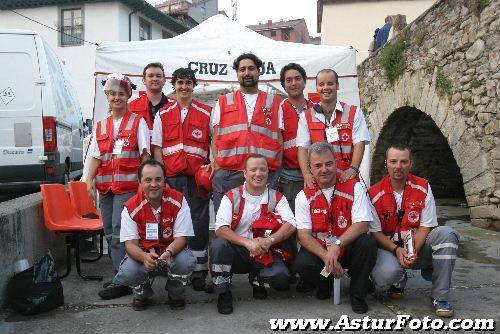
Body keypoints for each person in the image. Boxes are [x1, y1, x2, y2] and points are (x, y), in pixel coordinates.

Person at [369, 145, 460, 318]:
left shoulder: (424, 187)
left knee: (447, 234)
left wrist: (411, 252)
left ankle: (440, 297)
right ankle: (398, 279)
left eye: (403, 162)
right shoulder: (373, 193)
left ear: (411, 163)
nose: (398, 166)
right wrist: (397, 250)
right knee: (385, 275)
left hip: (417, 245)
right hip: (390, 249)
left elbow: (427, 224)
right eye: (393, 161)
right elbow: (375, 232)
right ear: (386, 163)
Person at [86, 74, 151, 299]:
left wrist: (144, 186)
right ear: (107, 96)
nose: (116, 98)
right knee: (110, 232)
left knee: (121, 232)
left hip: (128, 189)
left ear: (128, 96)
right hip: (106, 189)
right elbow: (95, 156)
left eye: (121, 94)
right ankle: (119, 274)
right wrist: (87, 181)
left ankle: (125, 279)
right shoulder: (101, 125)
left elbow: (145, 156)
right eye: (113, 94)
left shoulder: (137, 122)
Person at [293, 142, 377, 314]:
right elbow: (304, 236)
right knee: (302, 264)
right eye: (318, 166)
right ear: (310, 168)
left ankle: (358, 294)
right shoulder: (303, 195)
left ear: (336, 162)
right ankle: (325, 282)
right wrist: (326, 256)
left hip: (347, 247)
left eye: (328, 164)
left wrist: (337, 245)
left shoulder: (354, 186)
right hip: (323, 251)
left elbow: (362, 224)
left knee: (367, 243)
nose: (324, 170)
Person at [210, 154, 296, 315]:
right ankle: (223, 292)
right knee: (218, 245)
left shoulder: (277, 197)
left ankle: (258, 281)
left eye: (263, 170)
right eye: (253, 170)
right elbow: (220, 228)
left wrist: (270, 240)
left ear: (268, 173)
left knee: (280, 277)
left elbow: (291, 224)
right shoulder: (231, 196)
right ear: (244, 173)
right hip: (238, 250)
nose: (258, 174)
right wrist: (247, 242)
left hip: (265, 249)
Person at [152, 67, 212, 291]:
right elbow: (157, 147)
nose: (184, 87)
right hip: (173, 177)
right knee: (173, 223)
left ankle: (198, 273)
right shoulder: (163, 113)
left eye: (188, 83)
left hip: (198, 179)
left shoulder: (207, 112)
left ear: (194, 85)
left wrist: (211, 169)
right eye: (180, 83)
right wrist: (161, 177)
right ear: (174, 85)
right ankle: (173, 269)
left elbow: (213, 143)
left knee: (199, 222)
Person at [111, 159, 196, 311]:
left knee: (185, 261)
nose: (154, 184)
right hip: (145, 254)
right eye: (148, 180)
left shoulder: (179, 200)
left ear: (165, 180)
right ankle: (141, 293)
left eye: (158, 179)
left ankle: (175, 294)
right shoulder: (130, 207)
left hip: (171, 252)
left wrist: (169, 252)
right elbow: (130, 244)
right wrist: (144, 257)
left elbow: (182, 237)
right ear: (140, 182)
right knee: (129, 270)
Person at [211, 53, 283, 213]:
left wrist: (275, 169)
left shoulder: (274, 102)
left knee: (263, 223)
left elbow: (279, 137)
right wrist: (217, 167)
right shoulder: (223, 101)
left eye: (251, 68)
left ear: (259, 71)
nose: (246, 73)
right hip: (229, 173)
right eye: (242, 69)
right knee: (227, 223)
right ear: (237, 73)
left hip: (263, 174)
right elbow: (215, 136)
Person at [296, 69, 370, 188]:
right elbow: (302, 148)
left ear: (337, 86)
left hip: (347, 178)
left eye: (330, 83)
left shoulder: (354, 112)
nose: (326, 87)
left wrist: (353, 168)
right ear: (316, 88)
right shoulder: (306, 116)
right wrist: (306, 174)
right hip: (320, 180)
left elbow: (359, 143)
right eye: (321, 84)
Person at [278, 63, 314, 212]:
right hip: (289, 179)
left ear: (304, 81)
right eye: (289, 80)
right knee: (291, 223)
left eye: (297, 78)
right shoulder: (278, 109)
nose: (293, 83)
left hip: (315, 175)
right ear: (283, 85)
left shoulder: (316, 109)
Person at [129, 62, 170, 132]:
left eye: (158, 76)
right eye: (150, 76)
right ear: (144, 80)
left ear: (164, 80)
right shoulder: (131, 107)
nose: (155, 79)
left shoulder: (175, 106)